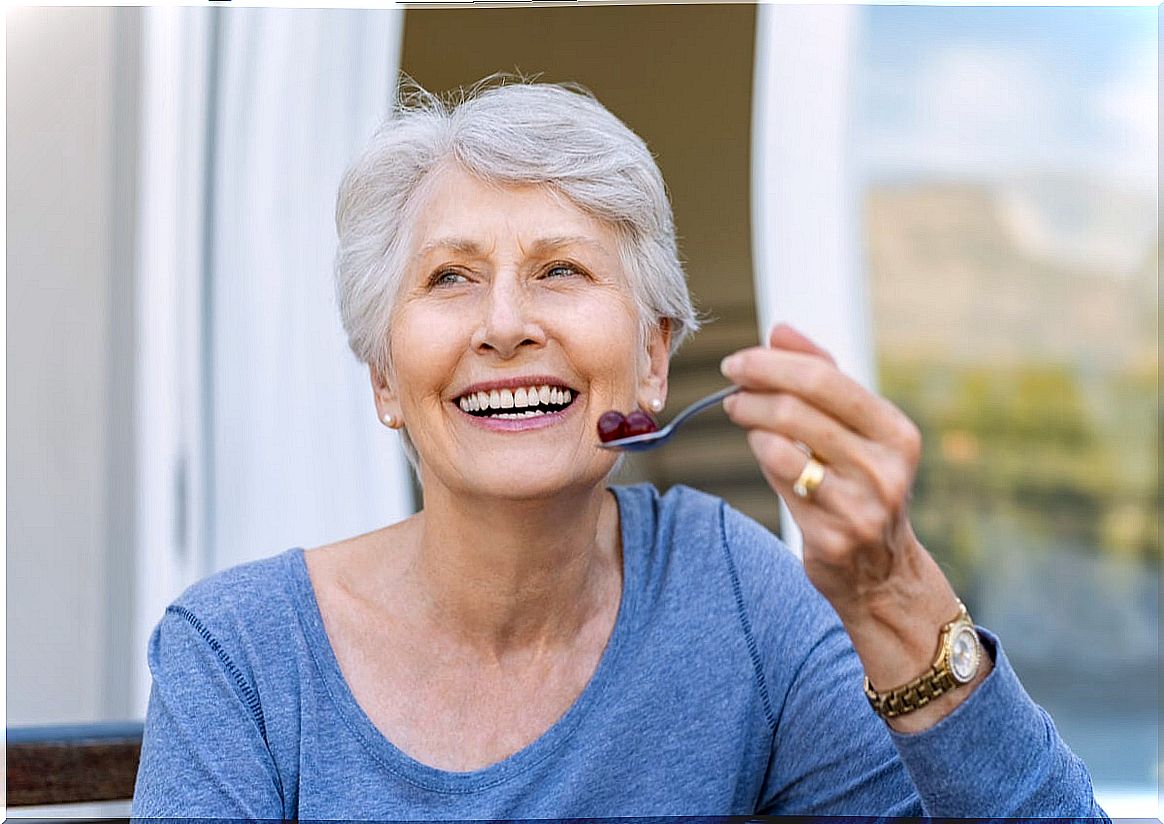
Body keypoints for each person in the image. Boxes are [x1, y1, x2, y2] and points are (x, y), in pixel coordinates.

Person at [131, 79, 1106, 819]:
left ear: (652, 359)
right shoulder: (239, 656)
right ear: (384, 376)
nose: (506, 322)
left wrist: (892, 591)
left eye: (561, 268)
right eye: (450, 276)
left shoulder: (729, 594)